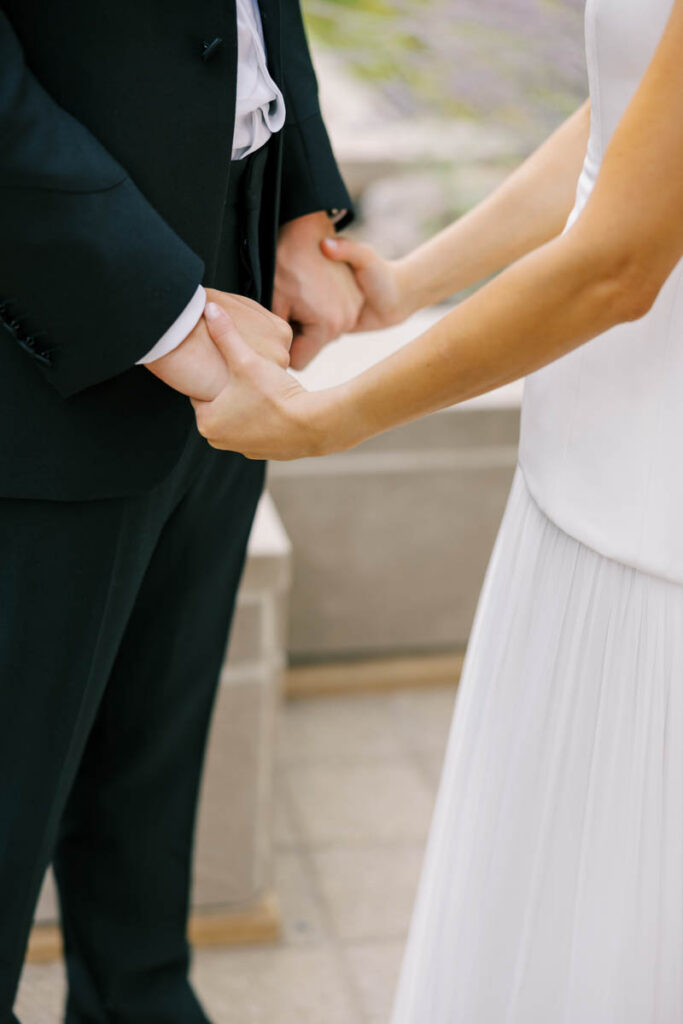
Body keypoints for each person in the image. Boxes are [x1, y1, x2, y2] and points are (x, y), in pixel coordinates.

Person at [193, 0, 683, 1018]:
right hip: (584, 455)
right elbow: (624, 119)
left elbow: (618, 264)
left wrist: (332, 417)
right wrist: (412, 282)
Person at [0, 2, 361, 1021]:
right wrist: (160, 307)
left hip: (238, 262)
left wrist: (300, 201)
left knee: (148, 775)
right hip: (45, 302)